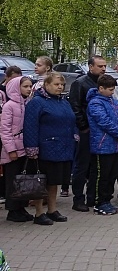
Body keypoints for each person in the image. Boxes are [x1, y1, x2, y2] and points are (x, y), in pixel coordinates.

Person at [23, 73, 75, 225]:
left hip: (63, 148)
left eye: (62, 85)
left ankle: (52, 210)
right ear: (46, 85)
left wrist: (75, 135)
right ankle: (39, 213)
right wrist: (31, 148)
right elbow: (30, 126)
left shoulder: (63, 102)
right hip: (45, 148)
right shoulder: (37, 102)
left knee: (54, 181)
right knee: (41, 182)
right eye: (56, 84)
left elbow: (72, 120)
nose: (60, 87)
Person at [87, 74, 118, 215]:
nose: (113, 92)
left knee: (113, 174)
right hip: (102, 145)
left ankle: (107, 199)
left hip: (116, 145)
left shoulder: (113, 101)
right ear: (101, 88)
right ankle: (99, 202)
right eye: (110, 90)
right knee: (102, 175)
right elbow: (104, 121)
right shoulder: (95, 103)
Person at [69, 55, 106, 212]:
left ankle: (92, 196)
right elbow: (75, 106)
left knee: (95, 166)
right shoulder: (80, 83)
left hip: (99, 131)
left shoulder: (103, 83)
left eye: (104, 66)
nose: (103, 69)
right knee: (82, 166)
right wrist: (83, 127)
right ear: (91, 67)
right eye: (100, 66)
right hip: (86, 131)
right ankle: (78, 198)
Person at [1, 76, 35, 222]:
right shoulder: (9, 106)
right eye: (25, 86)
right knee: (12, 180)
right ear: (16, 88)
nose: (28, 89)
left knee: (22, 180)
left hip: (24, 148)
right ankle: (13, 210)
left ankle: (21, 207)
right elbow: (5, 130)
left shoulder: (26, 104)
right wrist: (11, 149)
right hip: (13, 150)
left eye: (29, 86)